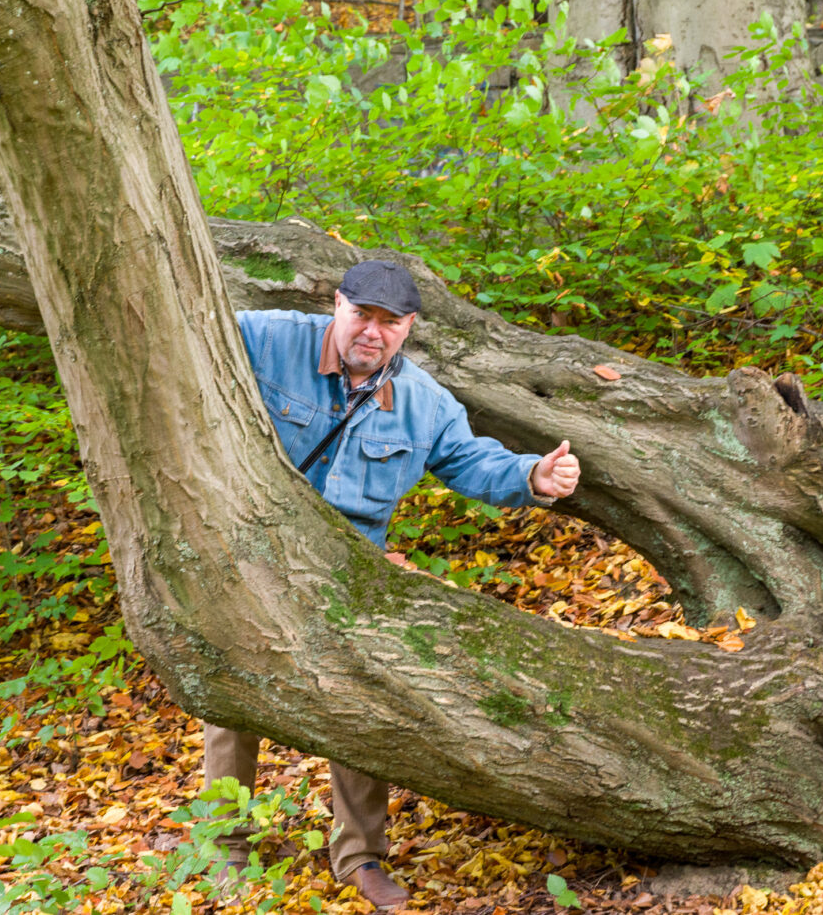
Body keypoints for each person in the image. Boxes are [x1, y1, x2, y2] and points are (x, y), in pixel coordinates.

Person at [206, 259, 581, 910]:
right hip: (255, 555)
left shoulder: (424, 403)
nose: (372, 333)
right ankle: (224, 847)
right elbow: (184, 347)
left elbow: (469, 460)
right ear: (336, 305)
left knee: (367, 698)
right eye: (362, 315)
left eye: (389, 322)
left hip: (352, 570)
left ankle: (360, 856)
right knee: (232, 698)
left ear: (408, 328)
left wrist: (532, 476)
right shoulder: (263, 338)